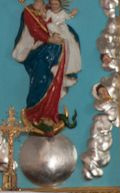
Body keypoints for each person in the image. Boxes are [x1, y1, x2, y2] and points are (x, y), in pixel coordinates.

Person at [13, 0, 66, 128]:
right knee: (40, 79)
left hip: (50, 52)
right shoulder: (29, 11)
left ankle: (47, 114)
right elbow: (34, 30)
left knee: (50, 80)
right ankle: (33, 113)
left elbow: (56, 23)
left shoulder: (49, 9)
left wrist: (56, 34)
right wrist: (49, 39)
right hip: (35, 52)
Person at [44, 0, 80, 94]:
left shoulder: (63, 12)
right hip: (54, 28)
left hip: (63, 29)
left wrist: (73, 13)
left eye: (56, 4)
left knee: (70, 43)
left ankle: (68, 69)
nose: (54, 6)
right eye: (52, 4)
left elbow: (68, 16)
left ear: (60, 4)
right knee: (50, 25)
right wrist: (42, 15)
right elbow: (45, 20)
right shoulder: (49, 12)